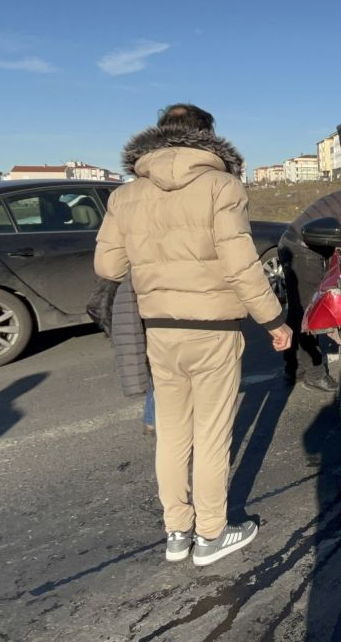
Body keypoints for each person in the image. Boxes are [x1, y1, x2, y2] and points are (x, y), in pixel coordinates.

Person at [95, 103, 292, 566]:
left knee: (172, 433)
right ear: (207, 137)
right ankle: (211, 534)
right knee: (212, 432)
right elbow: (241, 266)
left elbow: (108, 266)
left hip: (159, 329)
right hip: (213, 329)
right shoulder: (222, 186)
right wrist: (274, 321)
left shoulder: (127, 195)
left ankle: (176, 532)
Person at [279, 183, 341, 392]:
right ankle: (315, 374)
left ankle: (294, 369)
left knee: (296, 311)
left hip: (291, 242)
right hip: (301, 250)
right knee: (307, 315)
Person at [111, 277, 156, 434]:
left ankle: (151, 419)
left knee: (159, 368)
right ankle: (152, 418)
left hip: (139, 298)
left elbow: (109, 268)